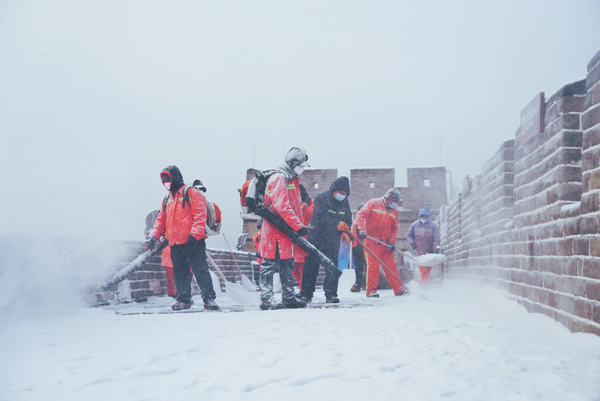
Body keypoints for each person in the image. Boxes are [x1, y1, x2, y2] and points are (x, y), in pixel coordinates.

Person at [147, 165, 219, 311]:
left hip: (193, 241)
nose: (166, 183)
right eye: (164, 180)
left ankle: (209, 299)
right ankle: (183, 299)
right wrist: (153, 237)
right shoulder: (167, 199)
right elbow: (161, 219)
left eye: (168, 179)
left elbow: (200, 216)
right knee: (180, 273)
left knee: (201, 271)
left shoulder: (191, 193)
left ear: (176, 178)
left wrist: (194, 236)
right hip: (175, 242)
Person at [258, 147, 310, 310]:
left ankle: (288, 297)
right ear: (293, 163)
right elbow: (282, 206)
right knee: (270, 264)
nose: (302, 168)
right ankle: (267, 299)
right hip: (276, 229)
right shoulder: (279, 178)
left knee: (287, 263)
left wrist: (297, 226)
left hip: (286, 230)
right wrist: (298, 226)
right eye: (301, 165)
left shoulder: (289, 178)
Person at [300, 176, 352, 303]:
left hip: (332, 239)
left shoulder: (344, 202)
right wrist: (337, 224)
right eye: (340, 193)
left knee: (332, 267)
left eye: (345, 194)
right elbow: (320, 217)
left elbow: (348, 219)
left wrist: (345, 231)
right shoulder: (322, 198)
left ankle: (331, 294)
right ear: (334, 190)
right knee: (311, 266)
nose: (342, 196)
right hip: (316, 237)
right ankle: (306, 294)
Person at [355, 188, 408, 297]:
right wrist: (361, 229)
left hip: (386, 244)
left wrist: (392, 242)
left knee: (391, 266)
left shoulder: (395, 211)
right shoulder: (373, 203)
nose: (396, 204)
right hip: (371, 241)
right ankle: (371, 291)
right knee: (372, 266)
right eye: (395, 201)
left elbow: (394, 228)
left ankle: (399, 289)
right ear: (388, 199)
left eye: (397, 202)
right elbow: (360, 215)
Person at [406, 205, 441, 285]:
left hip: (430, 251)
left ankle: (424, 282)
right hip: (418, 250)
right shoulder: (414, 225)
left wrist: (435, 250)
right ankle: (424, 284)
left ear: (427, 217)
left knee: (427, 268)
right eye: (421, 217)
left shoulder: (433, 226)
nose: (423, 219)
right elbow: (409, 235)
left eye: (424, 217)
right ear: (419, 217)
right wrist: (412, 243)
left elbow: (436, 238)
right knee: (422, 268)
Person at [292, 184, 314, 292]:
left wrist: (305, 207)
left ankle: (303, 290)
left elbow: (315, 218)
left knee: (302, 267)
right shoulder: (292, 204)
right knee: (293, 268)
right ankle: (301, 285)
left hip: (307, 240)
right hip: (294, 239)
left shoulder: (312, 204)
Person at [350, 202, 367, 292]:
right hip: (356, 247)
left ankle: (368, 285)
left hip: (366, 246)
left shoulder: (367, 221)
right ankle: (358, 285)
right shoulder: (354, 221)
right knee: (358, 267)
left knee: (368, 266)